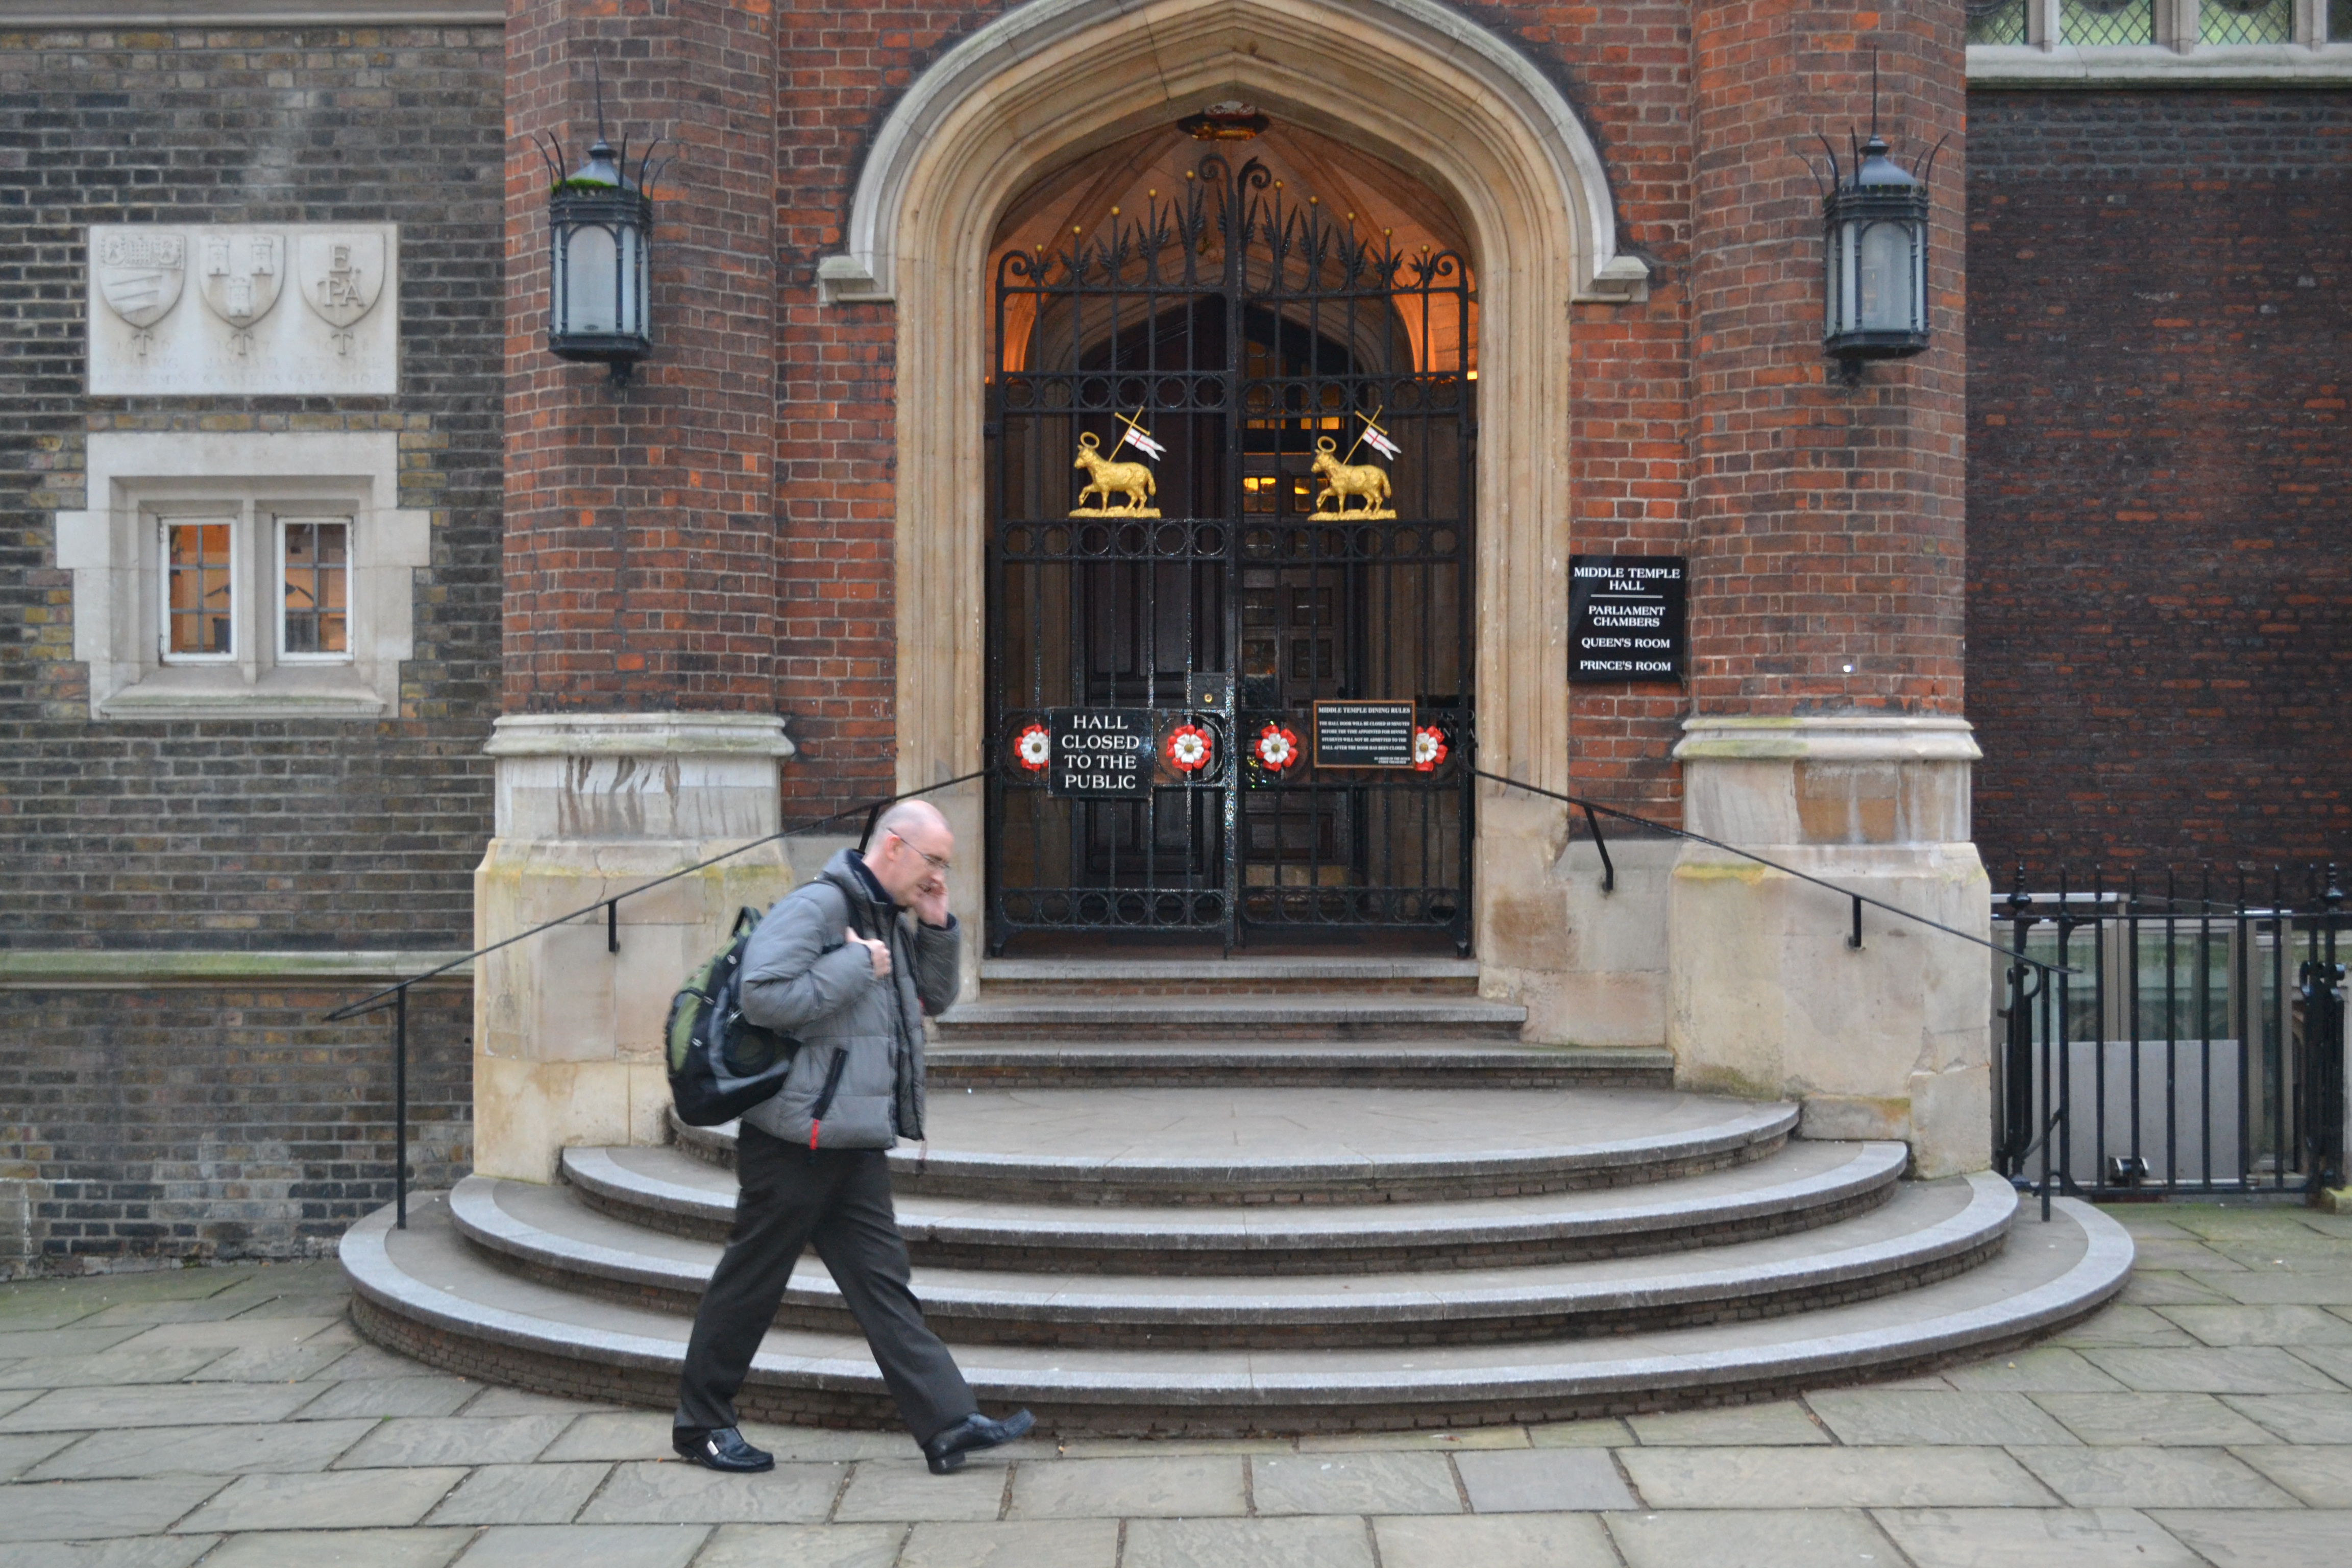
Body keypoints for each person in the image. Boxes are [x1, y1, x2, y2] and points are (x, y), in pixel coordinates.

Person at [671, 798, 1033, 1475]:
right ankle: (701, 1425)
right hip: (795, 1139)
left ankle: (949, 1423)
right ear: (893, 847)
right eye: (932, 862)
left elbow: (934, 998)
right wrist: (853, 967)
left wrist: (937, 923)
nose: (936, 875)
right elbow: (762, 995)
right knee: (751, 1283)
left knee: (884, 1287)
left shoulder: (883, 917)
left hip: (851, 1136)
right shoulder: (819, 908)